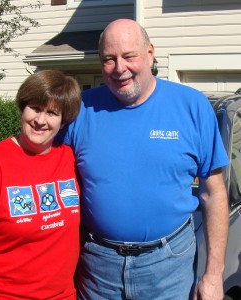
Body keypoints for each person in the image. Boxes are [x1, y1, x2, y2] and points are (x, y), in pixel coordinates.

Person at [59, 19, 229, 299]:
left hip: (169, 266)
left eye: (128, 56)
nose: (119, 68)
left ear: (150, 53)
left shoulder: (192, 106)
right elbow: (44, 170)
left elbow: (214, 193)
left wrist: (213, 274)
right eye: (109, 59)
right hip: (98, 268)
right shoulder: (81, 109)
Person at [0, 70, 82, 299]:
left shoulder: (69, 160)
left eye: (52, 113)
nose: (40, 120)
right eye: (35, 108)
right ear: (23, 107)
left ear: (63, 121)